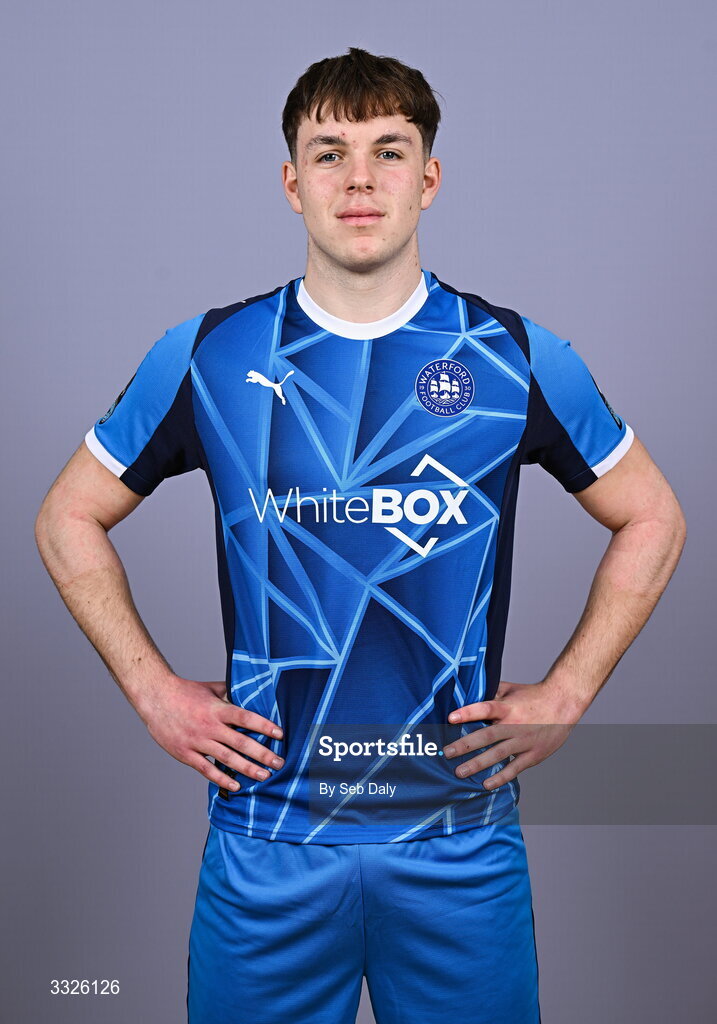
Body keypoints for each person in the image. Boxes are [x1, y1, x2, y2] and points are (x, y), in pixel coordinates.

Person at [34, 46, 686, 1024]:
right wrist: (150, 688)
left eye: (389, 150)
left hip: (458, 840)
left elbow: (654, 514)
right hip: (269, 840)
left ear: (429, 177)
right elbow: (66, 515)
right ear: (292, 182)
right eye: (329, 152)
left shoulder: (511, 355)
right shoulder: (211, 354)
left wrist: (569, 689)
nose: (360, 179)